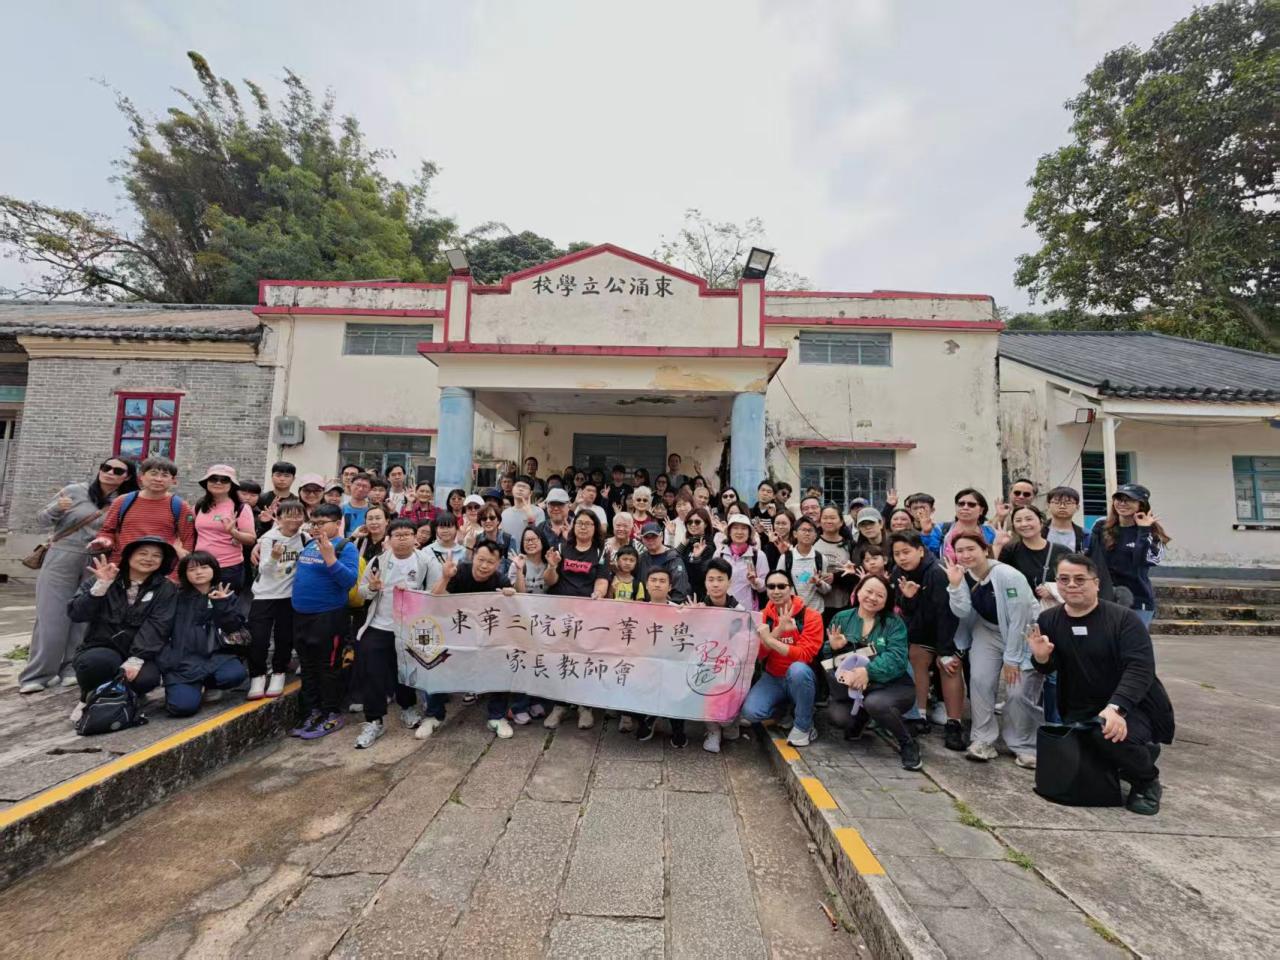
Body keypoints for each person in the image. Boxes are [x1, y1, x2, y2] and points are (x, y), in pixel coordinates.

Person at [1029, 554, 1174, 815]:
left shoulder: (1124, 620)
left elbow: (1140, 669)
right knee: (1082, 751)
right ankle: (1137, 755)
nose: (1071, 585)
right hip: (1080, 706)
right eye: (1064, 579)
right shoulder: (1049, 620)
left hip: (1133, 706)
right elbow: (1048, 667)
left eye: (1079, 579)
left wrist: (1116, 708)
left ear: (1096, 583)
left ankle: (1147, 780)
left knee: (1104, 732)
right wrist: (1041, 657)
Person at [21, 457, 138, 694]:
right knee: (51, 616)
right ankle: (39, 674)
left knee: (85, 618)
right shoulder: (75, 491)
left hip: (98, 560)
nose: (110, 473)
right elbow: (41, 519)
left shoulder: (124, 501)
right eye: (106, 467)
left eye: (118, 471)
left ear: (127, 477)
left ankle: (71, 668)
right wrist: (57, 508)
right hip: (63, 555)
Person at [945, 532, 1042, 767]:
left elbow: (1020, 618)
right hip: (986, 630)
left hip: (1023, 634)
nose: (966, 555)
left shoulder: (1008, 575)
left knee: (1018, 690)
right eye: (960, 551)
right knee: (980, 681)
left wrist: (1012, 658)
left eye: (971, 549)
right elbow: (962, 611)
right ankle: (982, 739)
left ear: (985, 550)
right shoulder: (962, 575)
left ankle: (1023, 744)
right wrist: (955, 586)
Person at [67, 537, 179, 724]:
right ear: (129, 556)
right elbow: (76, 613)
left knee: (147, 678)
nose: (148, 559)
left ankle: (129, 694)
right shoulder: (105, 577)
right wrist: (100, 587)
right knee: (96, 663)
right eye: (142, 553)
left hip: (140, 651)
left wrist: (136, 658)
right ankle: (87, 697)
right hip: (101, 646)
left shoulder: (166, 588)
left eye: (156, 555)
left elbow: (158, 625)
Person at [421, 541, 518, 740]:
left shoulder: (501, 580)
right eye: (481, 560)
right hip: (454, 634)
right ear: (473, 557)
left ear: (498, 563)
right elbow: (434, 599)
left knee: (503, 664)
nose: (484, 566)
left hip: (487, 638)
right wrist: (445, 577)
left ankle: (497, 717)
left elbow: (512, 612)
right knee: (436, 664)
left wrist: (511, 596)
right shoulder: (459, 572)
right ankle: (433, 715)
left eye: (490, 562)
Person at [826, 574, 921, 771]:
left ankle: (907, 742)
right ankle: (861, 717)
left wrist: (868, 671)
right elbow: (826, 658)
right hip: (853, 688)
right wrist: (833, 647)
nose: (872, 598)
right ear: (858, 591)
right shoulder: (842, 618)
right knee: (838, 717)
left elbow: (897, 658)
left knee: (876, 703)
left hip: (892, 686)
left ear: (887, 600)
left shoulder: (894, 623)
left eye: (880, 595)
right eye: (868, 591)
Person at [352, 518, 432, 748]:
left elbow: (435, 592)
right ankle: (374, 721)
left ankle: (408, 708)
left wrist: (414, 593)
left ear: (415, 538)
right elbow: (362, 592)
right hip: (380, 625)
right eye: (398, 535)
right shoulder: (378, 561)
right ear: (389, 538)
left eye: (407, 534)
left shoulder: (425, 562)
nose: (403, 539)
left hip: (410, 627)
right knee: (373, 672)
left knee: (405, 670)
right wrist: (372, 588)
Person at [289, 503, 360, 741]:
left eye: (322, 523)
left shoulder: (345, 547)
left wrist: (330, 558)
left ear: (337, 523)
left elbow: (349, 580)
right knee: (308, 667)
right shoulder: (309, 544)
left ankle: (332, 712)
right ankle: (313, 712)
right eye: (314, 523)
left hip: (329, 617)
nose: (317, 527)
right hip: (301, 616)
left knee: (328, 668)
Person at [891, 530, 965, 750]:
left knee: (949, 665)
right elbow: (904, 609)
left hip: (950, 628)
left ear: (921, 551)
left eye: (906, 552)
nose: (902, 558)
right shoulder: (898, 572)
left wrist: (944, 651)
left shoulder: (937, 572)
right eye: (897, 554)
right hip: (921, 628)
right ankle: (919, 715)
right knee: (916, 656)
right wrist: (909, 598)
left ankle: (954, 723)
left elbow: (945, 613)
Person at [157, 551, 250, 717]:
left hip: (217, 657)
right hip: (183, 661)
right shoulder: (174, 597)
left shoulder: (225, 594)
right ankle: (189, 689)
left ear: (214, 569)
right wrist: (167, 658)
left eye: (204, 567)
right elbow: (160, 628)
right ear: (184, 574)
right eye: (192, 569)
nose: (199, 572)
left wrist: (222, 604)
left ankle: (209, 684)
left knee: (234, 675)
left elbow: (234, 627)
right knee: (182, 708)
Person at [542, 510, 610, 731]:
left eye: (588, 524)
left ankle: (584, 707)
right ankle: (559, 706)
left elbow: (602, 579)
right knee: (561, 658)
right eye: (579, 523)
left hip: (587, 617)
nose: (583, 527)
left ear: (595, 528)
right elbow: (550, 581)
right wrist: (552, 566)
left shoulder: (601, 552)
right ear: (573, 526)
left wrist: (599, 593)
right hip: (561, 614)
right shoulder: (561, 548)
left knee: (584, 660)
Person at [740, 570, 822, 747]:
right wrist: (777, 632)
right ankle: (784, 711)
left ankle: (804, 725)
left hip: (801, 678)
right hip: (773, 677)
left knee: (797, 670)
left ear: (790, 588)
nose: (776, 591)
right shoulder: (761, 617)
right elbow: (759, 655)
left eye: (781, 586)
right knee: (750, 713)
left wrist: (770, 639)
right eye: (771, 587)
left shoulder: (811, 616)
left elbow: (805, 655)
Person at [247, 498, 307, 699]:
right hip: (264, 595)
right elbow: (264, 570)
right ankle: (257, 676)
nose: (294, 519)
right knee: (259, 638)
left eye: (298, 515)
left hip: (289, 596)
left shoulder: (304, 537)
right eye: (289, 515)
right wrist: (273, 556)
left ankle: (279, 673)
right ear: (279, 518)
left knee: (284, 638)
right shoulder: (269, 539)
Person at [88, 456, 196, 565]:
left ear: (173, 480)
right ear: (141, 476)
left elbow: (188, 539)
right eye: (153, 474)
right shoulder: (122, 501)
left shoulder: (180, 506)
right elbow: (107, 530)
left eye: (164, 475)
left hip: (161, 568)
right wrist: (104, 539)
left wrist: (179, 568)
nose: (158, 479)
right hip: (122, 565)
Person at [1090, 484, 1170, 626]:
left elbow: (1142, 561)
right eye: (1119, 499)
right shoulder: (1101, 525)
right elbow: (1090, 558)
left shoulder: (1153, 533)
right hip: (1102, 596)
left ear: (1141, 504)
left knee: (1132, 638)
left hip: (1137, 599)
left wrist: (1143, 530)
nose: (1122, 503)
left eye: (1129, 500)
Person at [633, 567, 689, 746]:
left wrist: (697, 613)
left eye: (662, 581)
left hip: (673, 666)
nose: (657, 584)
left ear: (670, 586)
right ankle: (646, 721)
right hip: (645, 665)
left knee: (676, 689)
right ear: (646, 585)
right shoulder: (636, 611)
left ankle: (677, 728)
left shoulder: (681, 611)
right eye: (653, 580)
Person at [698, 557, 743, 754]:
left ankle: (731, 720)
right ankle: (712, 730)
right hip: (705, 665)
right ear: (705, 583)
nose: (715, 584)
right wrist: (692, 615)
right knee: (704, 685)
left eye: (720, 579)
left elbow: (745, 643)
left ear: (729, 582)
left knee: (732, 686)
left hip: (731, 664)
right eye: (711, 579)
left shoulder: (740, 611)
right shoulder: (699, 608)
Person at [192, 465, 257, 593]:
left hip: (228, 568)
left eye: (224, 480)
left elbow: (251, 539)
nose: (218, 483)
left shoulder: (240, 507)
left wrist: (233, 532)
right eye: (213, 479)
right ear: (206, 482)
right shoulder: (199, 505)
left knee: (224, 604)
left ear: (231, 484)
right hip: (200, 566)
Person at [999, 504, 1071, 607]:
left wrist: (1053, 591)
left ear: (1041, 522)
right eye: (1018, 520)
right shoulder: (1009, 551)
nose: (1024, 524)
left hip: (1055, 611)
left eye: (1029, 519)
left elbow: (1074, 581)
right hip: (1022, 610)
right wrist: (997, 545)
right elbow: (1001, 583)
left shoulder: (1062, 551)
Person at [710, 516, 770, 611]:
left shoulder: (758, 555)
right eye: (735, 528)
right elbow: (712, 580)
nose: (739, 532)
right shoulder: (720, 553)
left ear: (749, 532)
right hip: (723, 609)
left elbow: (765, 586)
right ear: (729, 532)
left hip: (748, 610)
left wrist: (755, 581)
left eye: (744, 528)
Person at [635, 520, 692, 603]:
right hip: (645, 607)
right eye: (647, 537)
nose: (650, 540)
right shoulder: (641, 559)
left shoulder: (674, 558)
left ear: (661, 536)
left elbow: (680, 589)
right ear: (642, 539)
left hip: (669, 607)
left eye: (654, 536)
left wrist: (671, 605)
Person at [781, 516, 828, 615]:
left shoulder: (820, 558)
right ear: (795, 534)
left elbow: (826, 590)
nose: (807, 533)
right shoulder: (785, 558)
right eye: (803, 530)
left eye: (810, 530)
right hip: (792, 611)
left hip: (816, 612)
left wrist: (819, 583)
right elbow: (779, 584)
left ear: (815, 535)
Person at [940, 488, 997, 562]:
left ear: (981, 510)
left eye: (971, 504)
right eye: (961, 504)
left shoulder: (990, 533)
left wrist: (998, 545)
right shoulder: (941, 529)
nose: (965, 507)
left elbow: (993, 561)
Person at [500, 475, 545, 543]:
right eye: (518, 486)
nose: (520, 489)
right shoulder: (505, 513)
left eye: (524, 487)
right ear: (512, 489)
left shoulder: (538, 512)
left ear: (531, 493)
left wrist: (530, 517)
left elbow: (540, 537)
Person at [1045, 485, 1089, 553]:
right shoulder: (1038, 531)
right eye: (1057, 502)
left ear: (1077, 507)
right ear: (1048, 506)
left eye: (1068, 503)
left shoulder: (1086, 535)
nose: (1062, 506)